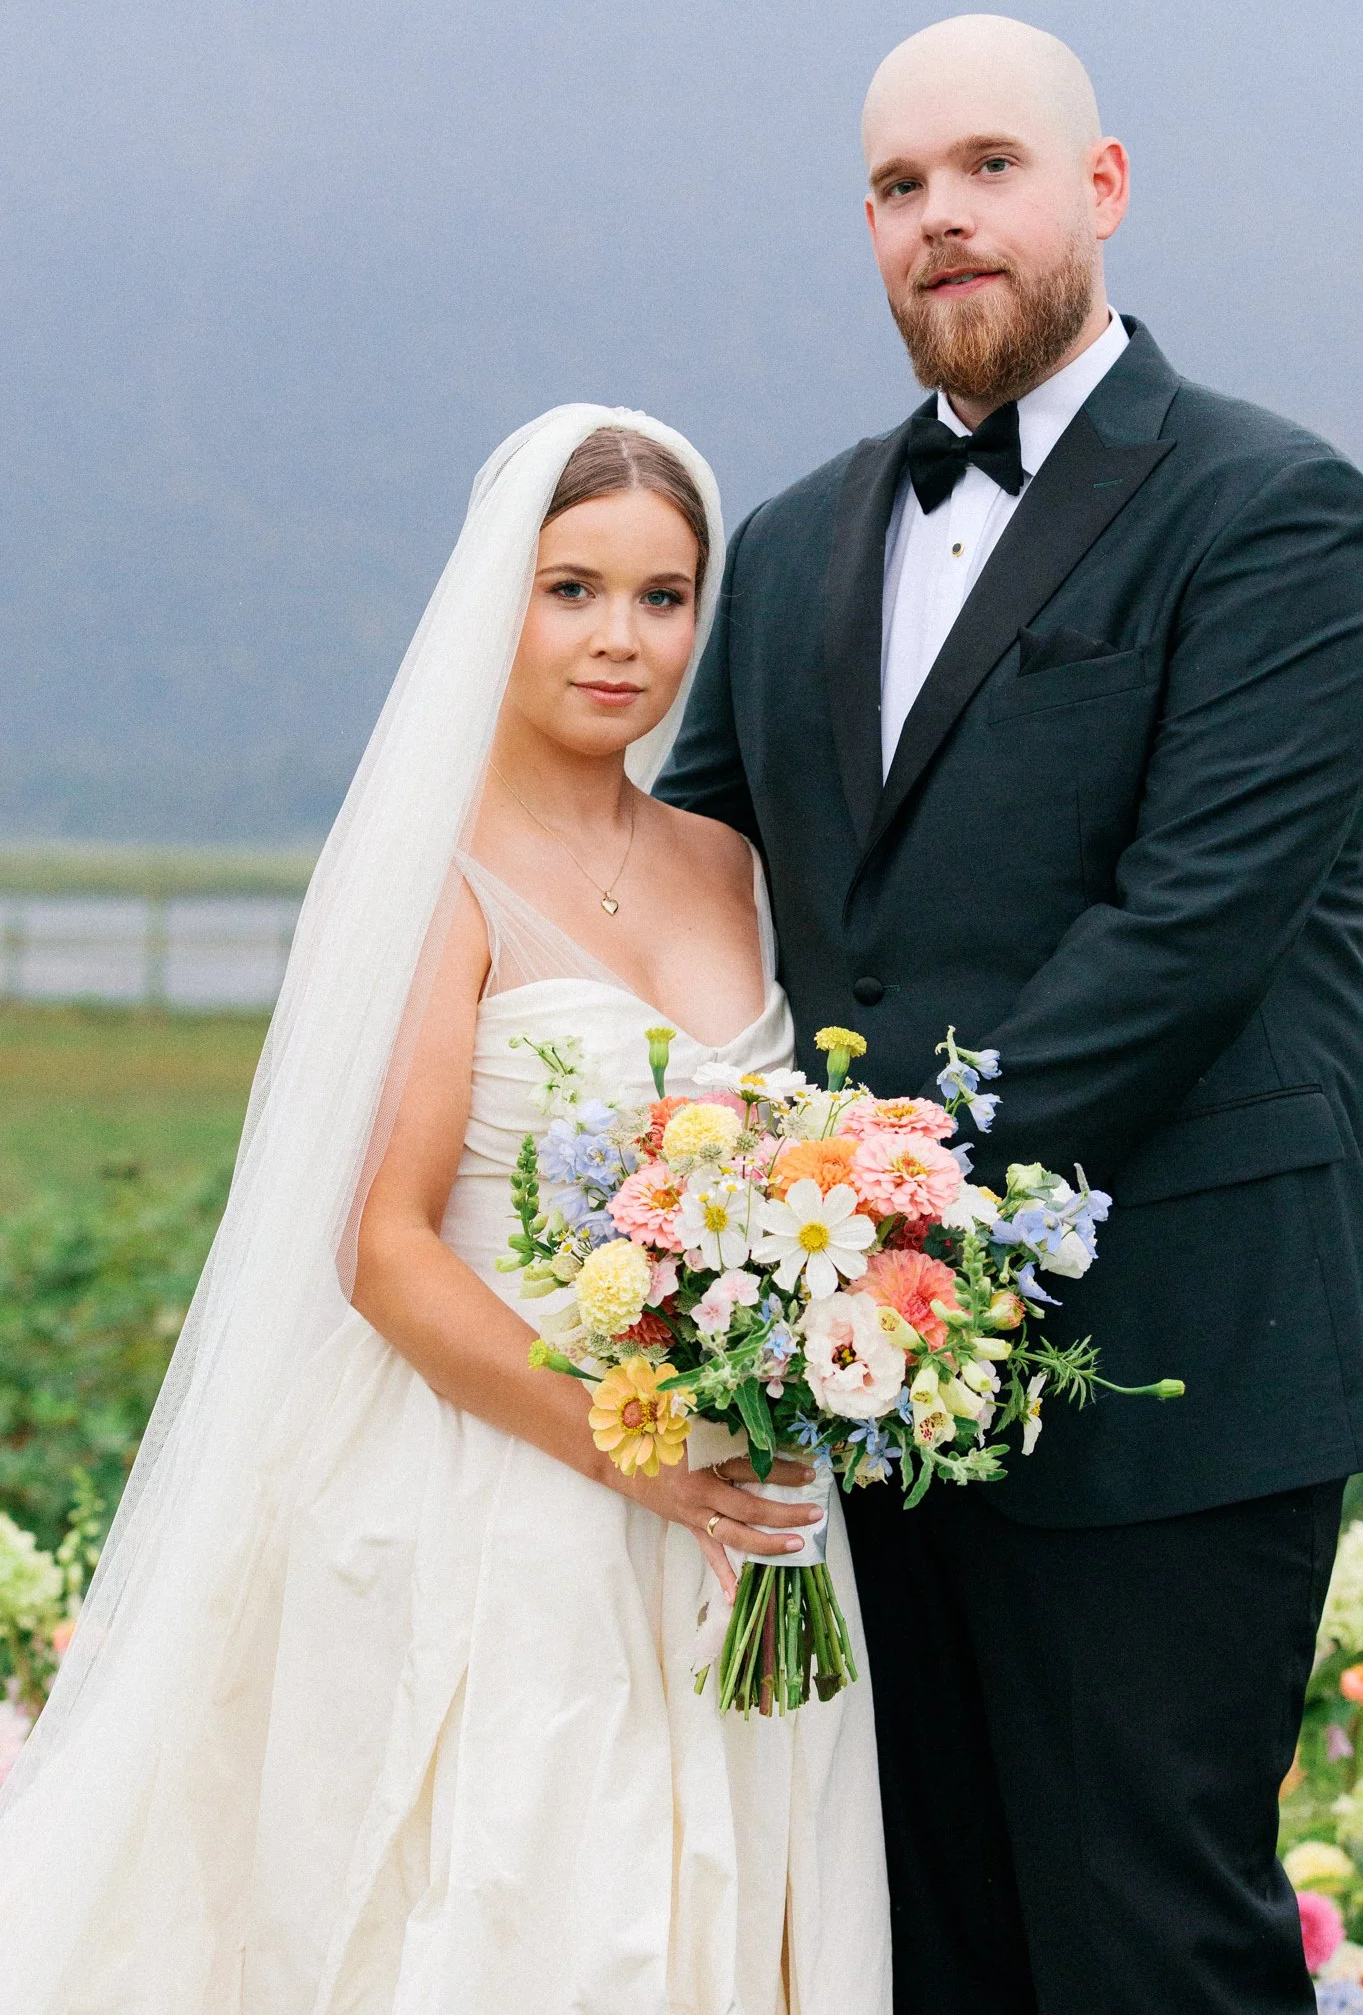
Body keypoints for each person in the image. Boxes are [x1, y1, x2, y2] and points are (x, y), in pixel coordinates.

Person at [657, 15, 1363, 2014]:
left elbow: (1184, 937)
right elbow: (695, 893)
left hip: (1177, 1354)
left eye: (987, 165)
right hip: (846, 1370)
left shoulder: (1278, 512)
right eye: (900, 187)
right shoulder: (791, 545)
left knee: (1149, 1937)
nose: (942, 218)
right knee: (927, 1932)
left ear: (1101, 186)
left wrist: (866, 1192)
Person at [0, 410, 891, 2015]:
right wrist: (637, 1458)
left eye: (664, 597)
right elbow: (381, 1245)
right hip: (502, 1487)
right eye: (573, 589)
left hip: (739, 1515)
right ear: (502, 600)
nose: (621, 639)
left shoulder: (731, 868)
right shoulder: (436, 872)